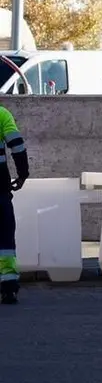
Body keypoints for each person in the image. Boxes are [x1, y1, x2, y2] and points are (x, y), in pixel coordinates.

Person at [0, 106, 28, 305]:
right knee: (4, 236)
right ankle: (9, 288)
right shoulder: (2, 114)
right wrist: (23, 172)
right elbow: (16, 145)